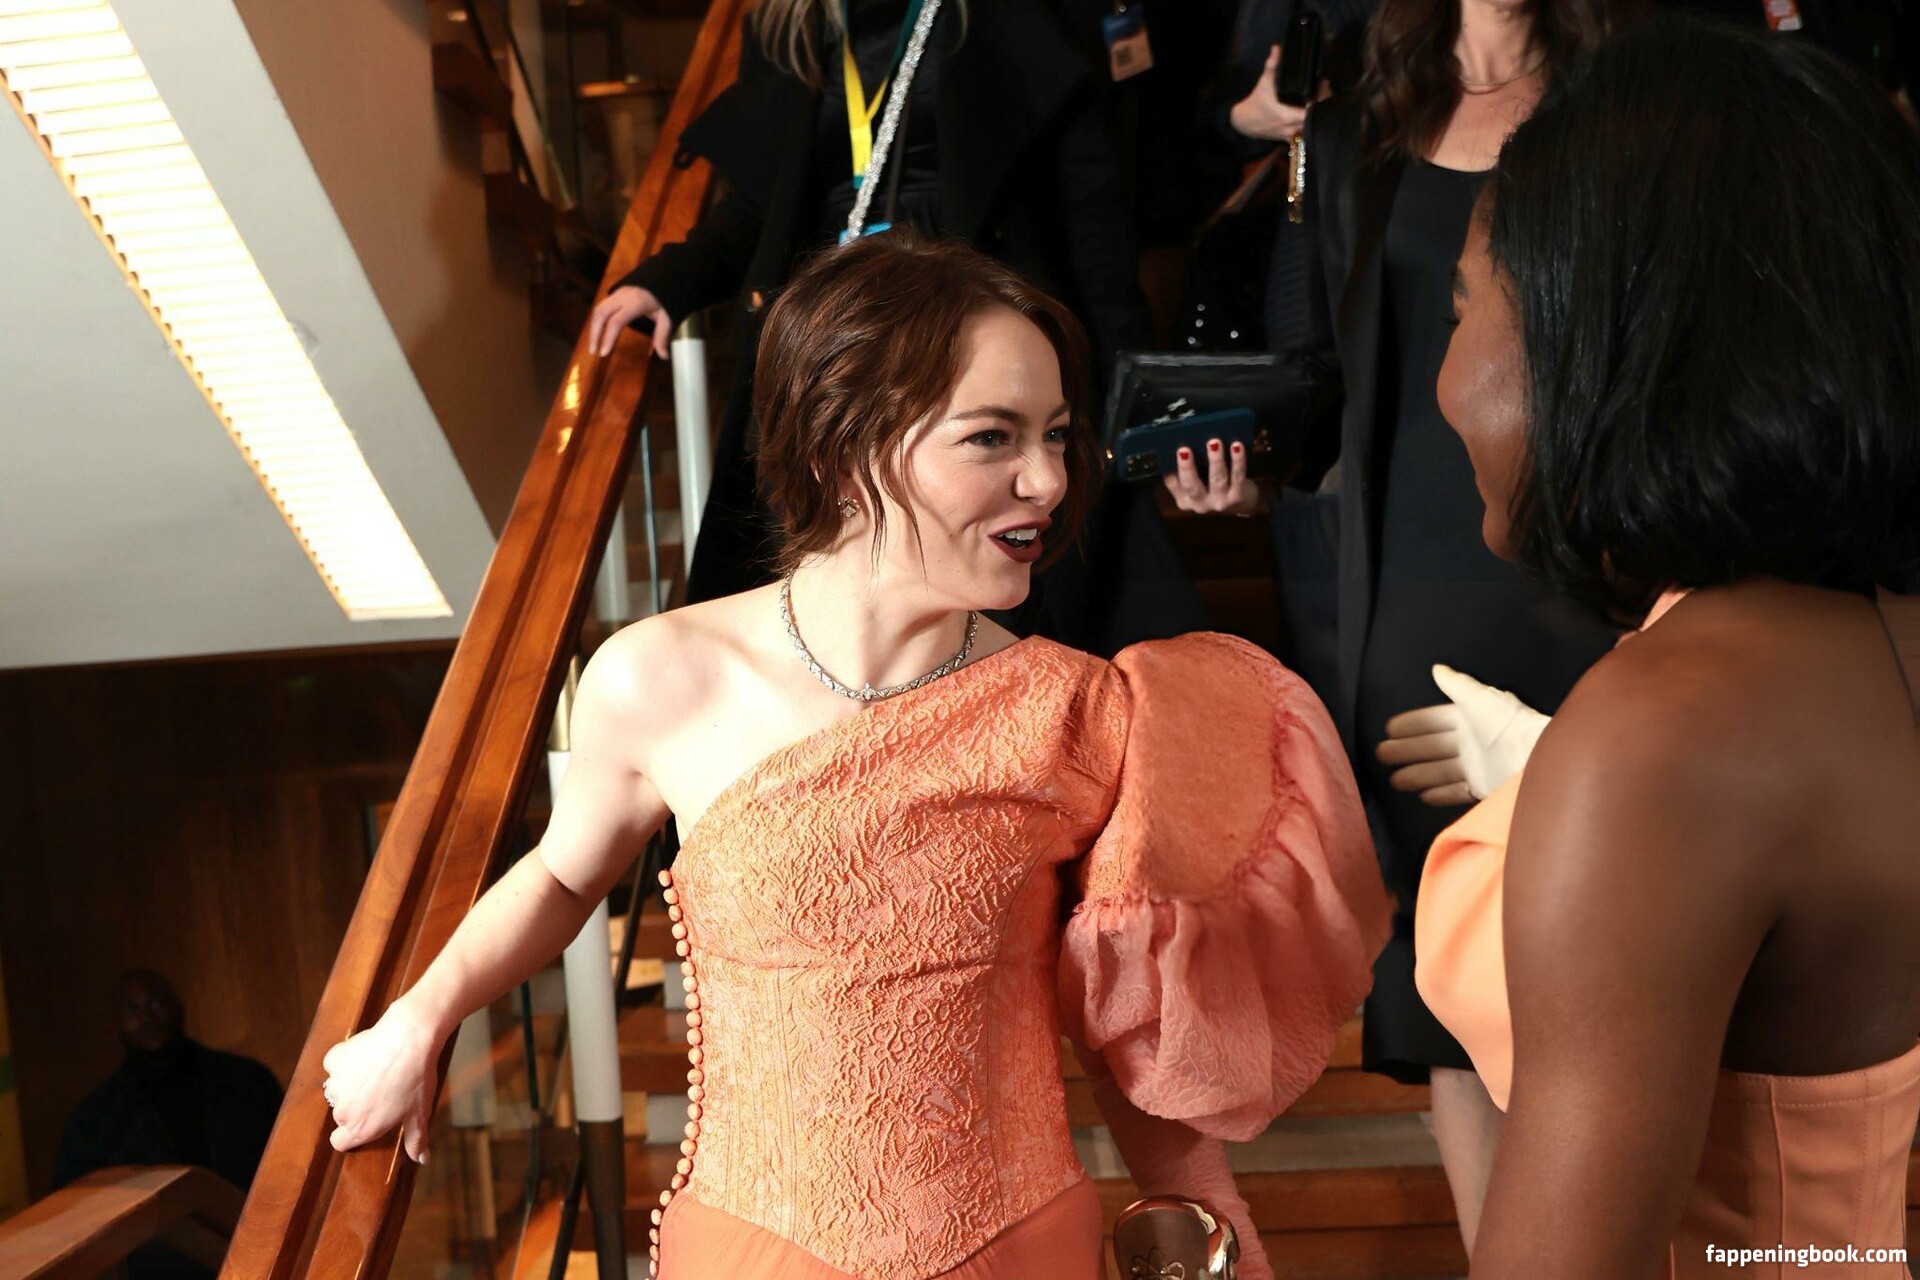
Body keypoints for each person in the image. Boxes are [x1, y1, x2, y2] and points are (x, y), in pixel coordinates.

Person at [323, 235, 1392, 1280]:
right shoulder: (659, 677)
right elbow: (563, 876)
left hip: (1017, 1247)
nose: (1047, 480)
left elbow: (1128, 1017)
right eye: (994, 437)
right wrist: (420, 1021)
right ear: (844, 448)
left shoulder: (1084, 713)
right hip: (749, 1248)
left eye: (1059, 436)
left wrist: (1213, 1229)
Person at [1417, 16, 1920, 1276]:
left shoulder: (1672, 727)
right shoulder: (1870, 635)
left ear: (1604, 332)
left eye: (1467, 304)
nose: (1446, 378)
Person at [1168, 0, 1626, 1248]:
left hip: (1591, 574)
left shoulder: (1628, 106)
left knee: (1600, 939)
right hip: (1410, 586)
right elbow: (1322, 378)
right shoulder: (1350, 131)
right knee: (1449, 963)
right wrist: (1251, 474)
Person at [583, 0, 1177, 653]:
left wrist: (1143, 395)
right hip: (845, 323)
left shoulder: (1007, 12)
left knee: (994, 525)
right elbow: (760, 206)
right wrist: (670, 280)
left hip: (975, 312)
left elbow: (1092, 215)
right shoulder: (788, 24)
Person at [53, 972, 284, 1277]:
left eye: (156, 1003)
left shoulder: (246, 1082)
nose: (147, 1017)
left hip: (262, 1253)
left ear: (179, 1006)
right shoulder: (95, 1117)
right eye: (133, 1008)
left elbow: (289, 1167)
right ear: (117, 1021)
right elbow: (73, 1212)